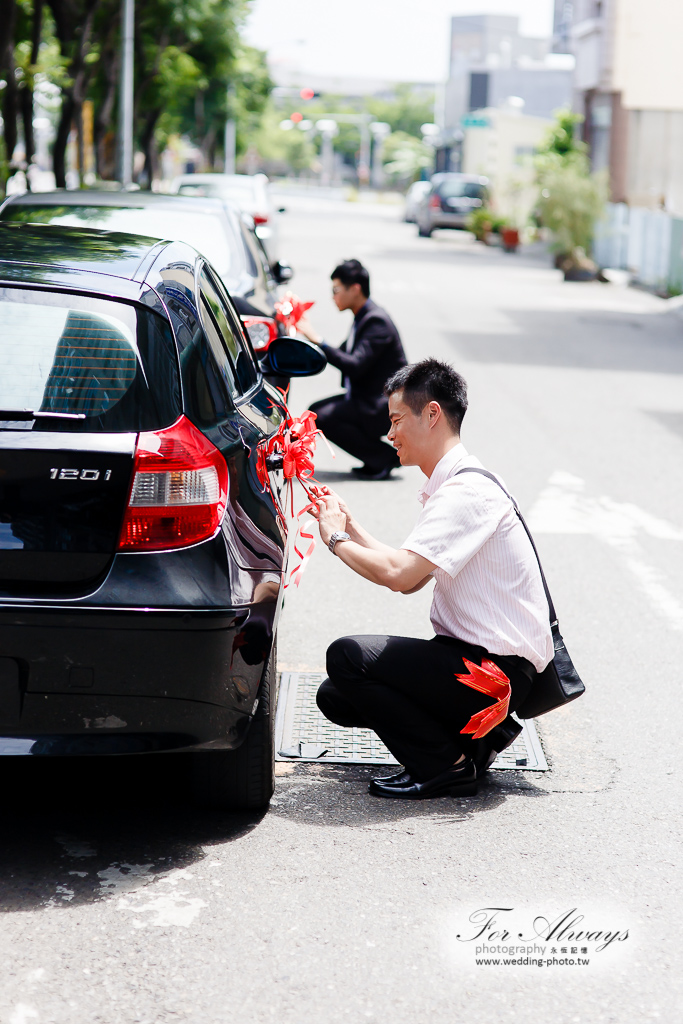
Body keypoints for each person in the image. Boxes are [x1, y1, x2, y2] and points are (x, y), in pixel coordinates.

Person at [309, 358, 553, 800]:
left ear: (433, 414)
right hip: (476, 666)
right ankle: (471, 746)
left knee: (346, 657)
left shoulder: (465, 493)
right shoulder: (460, 484)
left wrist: (336, 538)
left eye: (397, 420)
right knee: (336, 694)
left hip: (491, 676)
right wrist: (350, 523)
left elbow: (401, 577)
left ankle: (444, 766)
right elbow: (414, 569)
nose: (390, 434)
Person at [298, 258, 407, 481]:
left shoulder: (376, 321)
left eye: (336, 290)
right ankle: (378, 457)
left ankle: (384, 457)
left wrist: (317, 339)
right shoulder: (364, 316)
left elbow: (354, 365)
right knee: (315, 411)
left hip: (382, 406)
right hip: (366, 398)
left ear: (355, 289)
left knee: (321, 417)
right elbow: (342, 354)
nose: (333, 296)